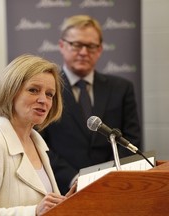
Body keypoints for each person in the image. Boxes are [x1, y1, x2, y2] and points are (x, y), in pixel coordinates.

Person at [0, 54, 76, 216]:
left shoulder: (37, 143)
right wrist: (34, 211)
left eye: (49, 94)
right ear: (10, 92)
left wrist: (65, 203)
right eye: (33, 90)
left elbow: (42, 204)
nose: (43, 100)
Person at [41, 15, 141, 195]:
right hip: (61, 191)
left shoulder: (121, 88)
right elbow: (39, 143)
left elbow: (131, 139)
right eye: (77, 45)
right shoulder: (47, 89)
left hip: (113, 188)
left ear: (100, 49)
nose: (84, 52)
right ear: (62, 46)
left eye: (91, 46)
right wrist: (73, 178)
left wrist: (109, 176)